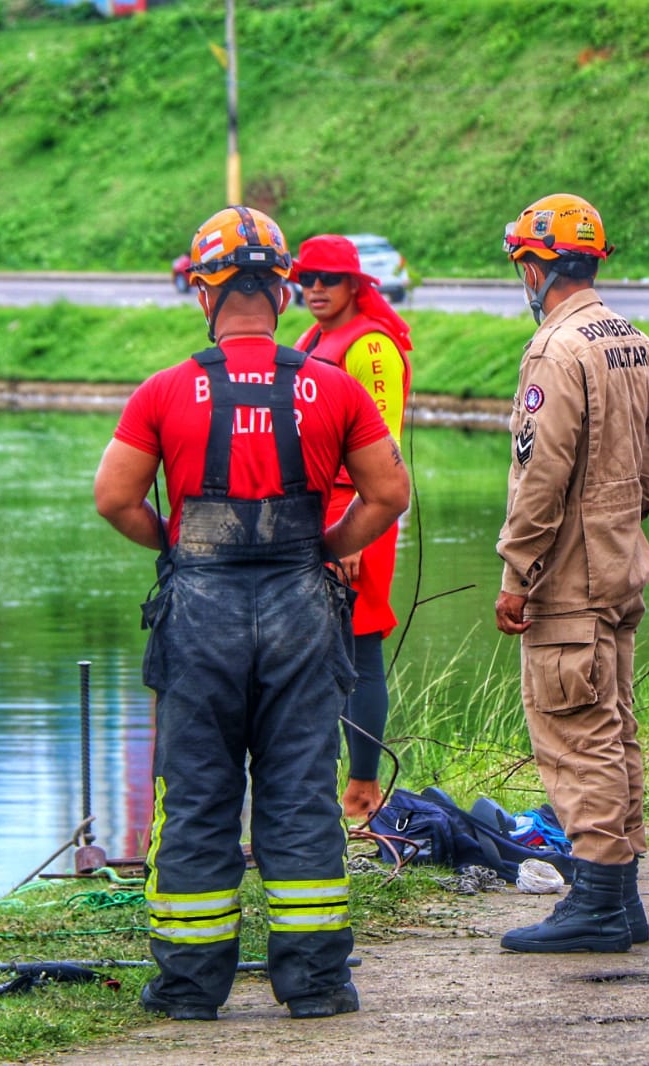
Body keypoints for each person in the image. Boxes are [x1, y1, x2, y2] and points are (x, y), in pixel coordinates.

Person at [93, 207, 409, 1021]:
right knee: (301, 791)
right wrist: (330, 543)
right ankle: (314, 983)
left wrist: (176, 543)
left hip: (200, 609)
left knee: (196, 795)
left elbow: (114, 498)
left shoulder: (165, 390)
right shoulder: (330, 385)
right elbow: (389, 494)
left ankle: (191, 988)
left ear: (205, 291)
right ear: (282, 288)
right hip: (303, 606)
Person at [494, 193, 649, 953]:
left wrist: (517, 572)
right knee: (613, 728)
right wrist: (624, 502)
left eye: (523, 264)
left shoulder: (555, 347)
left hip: (568, 581)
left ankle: (598, 902)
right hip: (618, 568)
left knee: (575, 734)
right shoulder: (628, 336)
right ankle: (623, 897)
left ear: (537, 266)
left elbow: (539, 476)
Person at [291, 234, 414, 823]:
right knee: (316, 649)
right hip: (316, 516)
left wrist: (355, 537)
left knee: (359, 648)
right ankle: (317, 788)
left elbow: (380, 452)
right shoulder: (312, 338)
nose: (314, 288)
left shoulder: (371, 347)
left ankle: (364, 791)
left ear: (355, 284)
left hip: (360, 519)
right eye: (306, 278)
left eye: (327, 279)